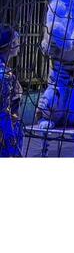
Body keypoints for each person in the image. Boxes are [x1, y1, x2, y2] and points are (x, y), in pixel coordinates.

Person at [0, 25, 23, 156]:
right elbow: (3, 114)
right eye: (17, 41)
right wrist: (12, 147)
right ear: (10, 45)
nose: (19, 45)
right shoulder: (5, 75)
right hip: (6, 133)